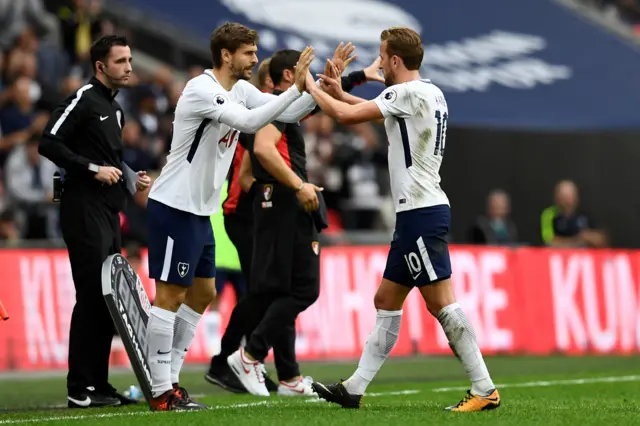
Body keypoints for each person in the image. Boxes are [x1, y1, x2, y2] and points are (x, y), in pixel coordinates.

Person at [305, 27, 501, 412]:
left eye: (382, 56)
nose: (381, 63)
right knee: (386, 299)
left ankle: (485, 388)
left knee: (441, 303)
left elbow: (347, 116)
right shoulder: (430, 92)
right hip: (418, 211)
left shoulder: (405, 93)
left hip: (420, 213)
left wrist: (309, 87)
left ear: (395, 60)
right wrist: (334, 89)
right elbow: (363, 109)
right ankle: (354, 388)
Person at [143, 22, 318, 411]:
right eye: (248, 53)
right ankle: (160, 389)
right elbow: (254, 123)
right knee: (170, 296)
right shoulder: (201, 89)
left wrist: (319, 90)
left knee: (204, 293)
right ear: (226, 55)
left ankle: (170, 380)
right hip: (175, 206)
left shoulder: (238, 89)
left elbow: (286, 113)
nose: (255, 59)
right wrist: (294, 88)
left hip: (200, 211)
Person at [208, 47, 385, 396]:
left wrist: (356, 76)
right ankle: (244, 359)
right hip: (271, 206)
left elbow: (318, 101)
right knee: (285, 290)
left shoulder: (279, 105)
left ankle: (280, 373)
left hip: (269, 204)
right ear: (291, 75)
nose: (315, 77)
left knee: (276, 291)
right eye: (309, 71)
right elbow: (260, 152)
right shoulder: (274, 105)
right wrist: (292, 186)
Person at [38, 35, 151, 409]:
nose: (129, 66)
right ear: (101, 66)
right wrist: (91, 169)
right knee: (90, 295)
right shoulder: (83, 98)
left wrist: (132, 177)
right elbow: (49, 142)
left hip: (107, 210)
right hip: (82, 207)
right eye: (120, 61)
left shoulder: (115, 110)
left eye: (130, 59)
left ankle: (98, 385)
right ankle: (78, 386)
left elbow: (109, 161)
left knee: (109, 298)